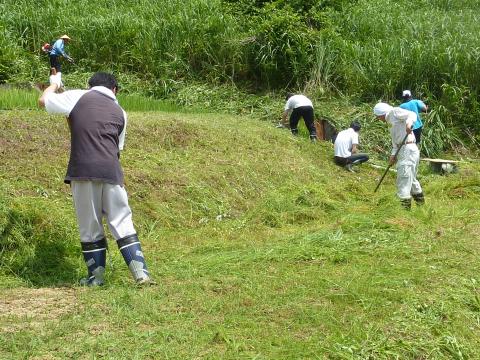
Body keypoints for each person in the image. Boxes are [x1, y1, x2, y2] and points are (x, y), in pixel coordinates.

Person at [38, 72, 153, 286]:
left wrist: (53, 85)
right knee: (122, 222)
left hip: (84, 171)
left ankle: (96, 278)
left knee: (90, 226)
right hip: (112, 171)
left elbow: (43, 101)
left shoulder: (78, 96)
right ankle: (142, 274)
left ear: (89, 85)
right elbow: (115, 148)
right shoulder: (121, 112)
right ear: (115, 89)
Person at [373, 102, 425, 209]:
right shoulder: (390, 122)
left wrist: (409, 124)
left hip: (408, 149)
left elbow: (412, 114)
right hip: (403, 149)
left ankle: (404, 212)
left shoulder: (394, 112)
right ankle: (422, 208)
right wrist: (393, 155)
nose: (378, 119)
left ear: (380, 114)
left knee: (403, 180)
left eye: (378, 117)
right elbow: (395, 142)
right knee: (411, 179)